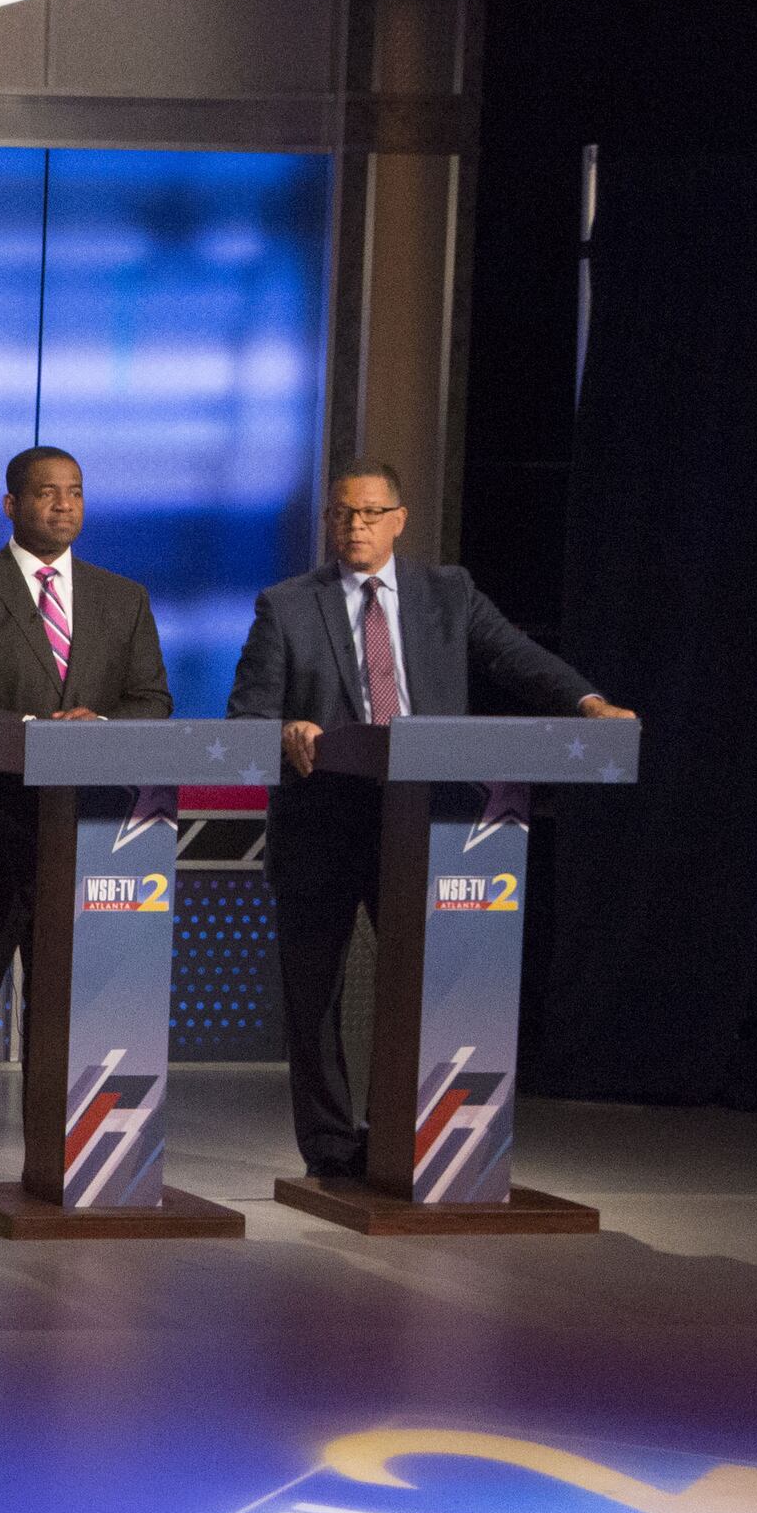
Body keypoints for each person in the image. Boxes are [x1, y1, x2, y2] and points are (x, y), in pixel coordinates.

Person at [227, 461, 636, 1180]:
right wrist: (286, 729)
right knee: (313, 997)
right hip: (322, 823)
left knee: (423, 983)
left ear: (399, 518)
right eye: (342, 514)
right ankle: (329, 1149)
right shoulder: (286, 605)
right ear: (328, 522)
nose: (355, 525)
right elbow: (248, 720)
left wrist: (587, 704)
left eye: (370, 512)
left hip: (425, 824)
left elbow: (518, 658)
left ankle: (404, 1134)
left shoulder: (450, 593)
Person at [0, 445, 171, 1187]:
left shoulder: (125, 598)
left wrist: (101, 728)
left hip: (86, 837)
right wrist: (32, 728)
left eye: (75, 493)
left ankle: (71, 1159)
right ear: (11, 505)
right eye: (47, 493)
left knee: (74, 1006)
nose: (63, 505)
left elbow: (153, 701)